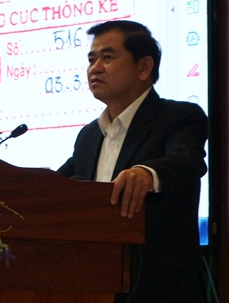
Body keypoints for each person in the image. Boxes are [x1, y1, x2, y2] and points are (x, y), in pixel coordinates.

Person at [57, 20, 208, 303]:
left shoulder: (179, 117)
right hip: (95, 284)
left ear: (144, 67)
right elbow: (59, 183)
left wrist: (147, 173)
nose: (95, 68)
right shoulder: (88, 136)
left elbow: (187, 161)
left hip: (160, 288)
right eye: (91, 59)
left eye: (107, 57)